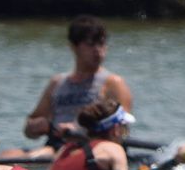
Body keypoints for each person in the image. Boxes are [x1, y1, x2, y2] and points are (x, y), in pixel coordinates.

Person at [13, 14, 136, 159]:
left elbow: (122, 129)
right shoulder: (57, 83)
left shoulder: (113, 83)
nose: (98, 50)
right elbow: (29, 128)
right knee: (9, 154)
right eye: (91, 44)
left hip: (92, 148)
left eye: (101, 43)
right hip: (56, 143)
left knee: (37, 156)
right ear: (73, 47)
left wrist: (79, 129)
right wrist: (34, 127)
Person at [44, 99, 176, 170]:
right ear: (116, 129)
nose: (125, 134)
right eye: (125, 128)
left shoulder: (66, 148)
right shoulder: (114, 150)